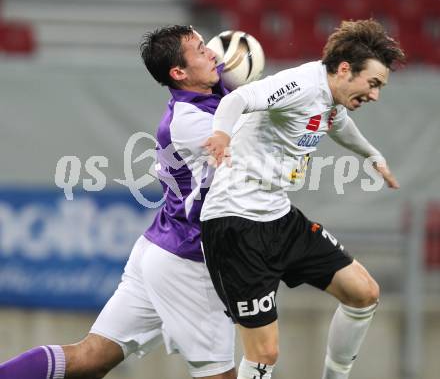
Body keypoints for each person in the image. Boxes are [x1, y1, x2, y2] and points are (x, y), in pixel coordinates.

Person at [0, 25, 236, 379]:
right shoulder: (189, 121)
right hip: (187, 261)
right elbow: (255, 149)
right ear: (178, 73)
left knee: (91, 359)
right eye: (202, 50)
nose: (213, 53)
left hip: (161, 246)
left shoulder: (208, 96)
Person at [200, 19, 406, 379]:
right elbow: (239, 97)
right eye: (373, 84)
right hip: (236, 222)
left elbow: (337, 122)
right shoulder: (300, 84)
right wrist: (220, 134)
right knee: (265, 353)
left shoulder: (331, 97)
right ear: (345, 69)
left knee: (364, 293)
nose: (375, 95)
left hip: (278, 215)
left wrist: (371, 155)